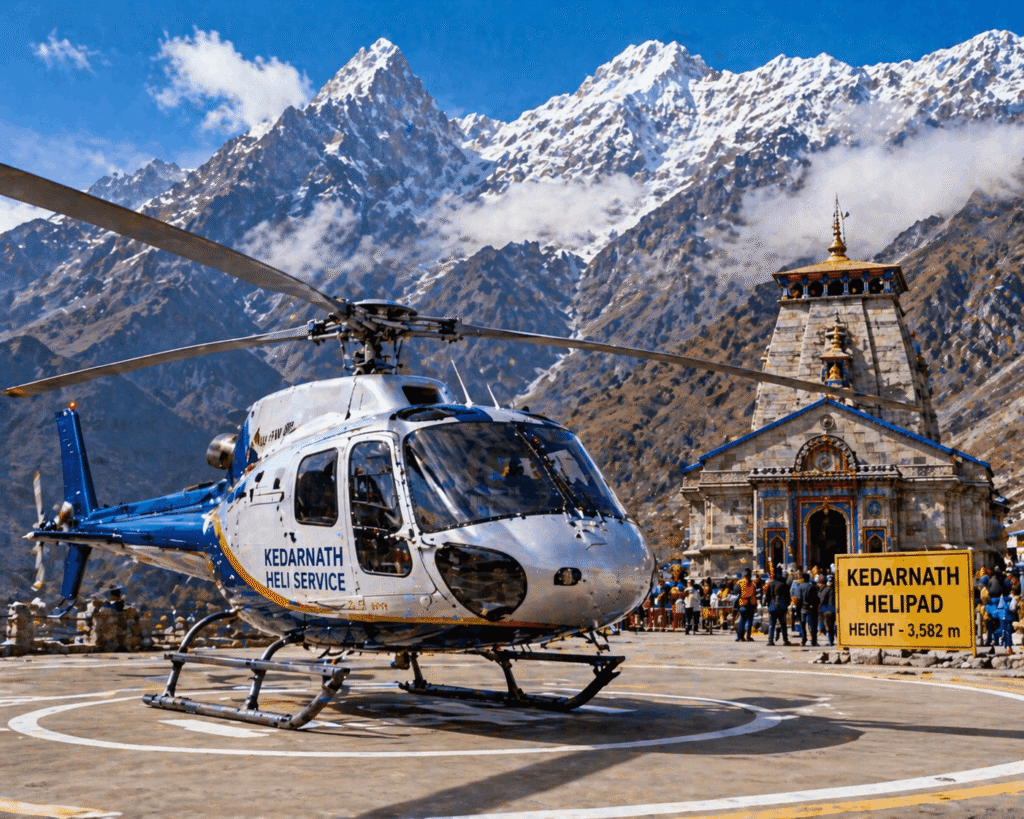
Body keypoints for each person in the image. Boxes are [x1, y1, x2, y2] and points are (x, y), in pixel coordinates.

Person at [765, 565, 793, 646]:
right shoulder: (785, 584)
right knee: (783, 624)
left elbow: (767, 596)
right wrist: (786, 605)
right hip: (782, 607)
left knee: (772, 624)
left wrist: (768, 604)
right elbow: (788, 597)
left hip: (773, 607)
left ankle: (770, 640)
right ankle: (785, 640)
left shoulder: (771, 584)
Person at [799, 572, 820, 646]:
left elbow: (798, 598)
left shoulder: (800, 586)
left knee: (802, 624)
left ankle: (803, 639)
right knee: (812, 625)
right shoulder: (811, 587)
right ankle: (814, 640)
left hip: (802, 608)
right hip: (810, 608)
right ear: (808, 578)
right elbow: (816, 598)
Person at [735, 568, 757, 641]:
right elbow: (754, 594)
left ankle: (740, 637)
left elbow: (736, 592)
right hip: (750, 605)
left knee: (742, 621)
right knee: (749, 621)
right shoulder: (752, 583)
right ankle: (748, 636)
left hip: (743, 604)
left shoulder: (740, 582)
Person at [819, 574, 837, 646]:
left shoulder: (825, 589)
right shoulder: (832, 589)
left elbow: (821, 599)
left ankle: (831, 641)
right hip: (828, 609)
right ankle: (831, 640)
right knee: (830, 625)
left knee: (828, 626)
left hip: (826, 609)